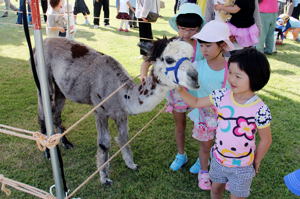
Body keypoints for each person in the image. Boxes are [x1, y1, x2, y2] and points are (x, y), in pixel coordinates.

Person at [177, 47, 272, 199]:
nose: (231, 79)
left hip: (243, 167)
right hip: (218, 159)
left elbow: (266, 139)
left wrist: (257, 161)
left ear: (255, 78)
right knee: (215, 190)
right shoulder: (221, 96)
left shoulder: (260, 109)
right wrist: (181, 91)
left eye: (238, 76)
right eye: (231, 73)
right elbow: (195, 102)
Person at [188, 20, 234, 190]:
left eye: (208, 45)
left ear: (222, 45)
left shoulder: (232, 68)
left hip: (228, 116)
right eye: (201, 45)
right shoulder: (197, 66)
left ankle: (225, 173)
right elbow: (182, 80)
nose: (203, 49)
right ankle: (204, 172)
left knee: (226, 147)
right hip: (204, 114)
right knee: (206, 145)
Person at [135, 0, 159, 70]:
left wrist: (143, 15)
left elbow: (147, 3)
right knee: (143, 35)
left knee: (146, 35)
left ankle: (147, 53)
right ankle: (144, 53)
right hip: (142, 14)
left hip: (144, 15)